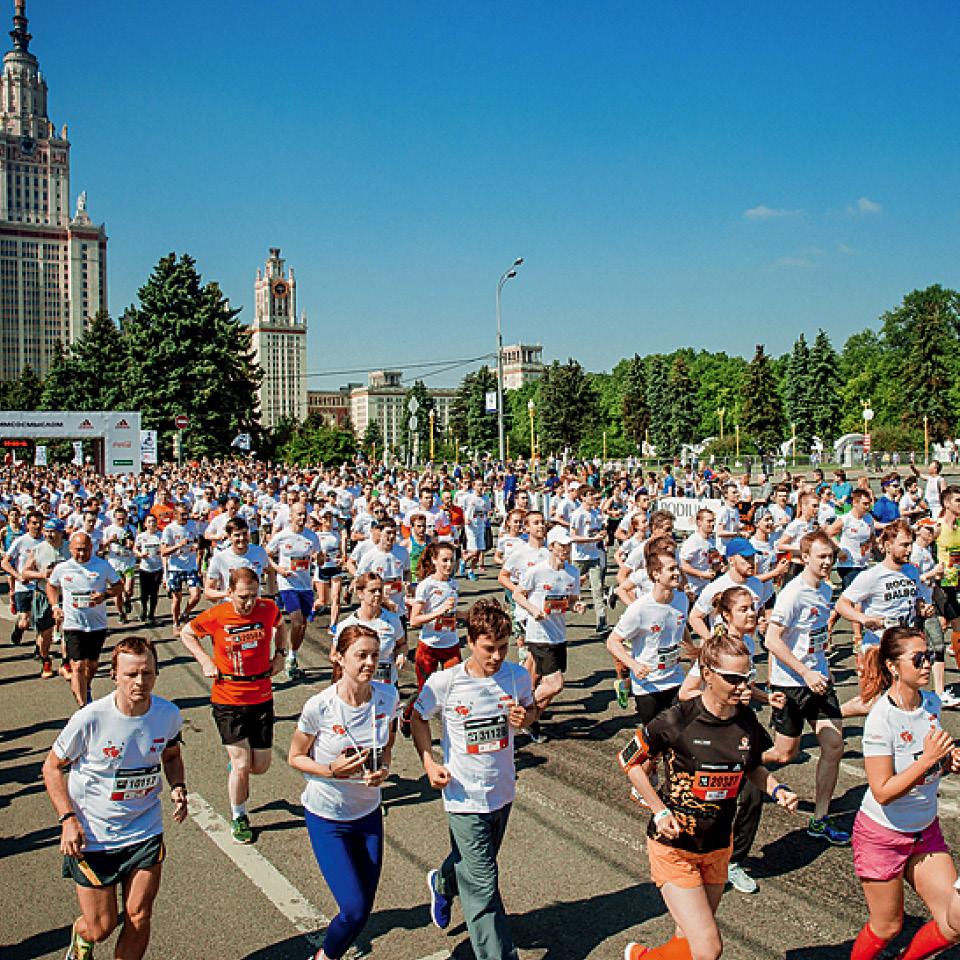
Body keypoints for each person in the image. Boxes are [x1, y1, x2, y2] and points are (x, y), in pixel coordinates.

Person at [620, 631, 798, 960]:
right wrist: (659, 811)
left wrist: (777, 789)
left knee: (687, 939)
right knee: (708, 947)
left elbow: (752, 767)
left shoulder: (746, 720)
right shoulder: (677, 719)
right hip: (675, 848)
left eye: (748, 677)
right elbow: (629, 761)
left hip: (718, 847)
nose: (743, 687)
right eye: (734, 679)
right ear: (707, 674)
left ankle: (644, 958)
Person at [41, 636, 187, 960]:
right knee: (101, 927)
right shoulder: (90, 718)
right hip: (93, 835)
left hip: (144, 828)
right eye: (131, 674)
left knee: (139, 915)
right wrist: (67, 820)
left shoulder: (168, 714)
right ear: (114, 675)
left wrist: (178, 786)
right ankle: (82, 938)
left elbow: (172, 755)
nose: (140, 682)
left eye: (147, 673)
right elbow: (51, 767)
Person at [412, 600, 536, 960]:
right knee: (483, 884)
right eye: (488, 648)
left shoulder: (516, 676)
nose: (497, 656)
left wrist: (526, 718)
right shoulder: (446, 682)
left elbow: (530, 710)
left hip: (502, 792)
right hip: (463, 796)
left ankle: (442, 882)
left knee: (472, 865)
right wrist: (429, 763)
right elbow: (417, 717)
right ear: (469, 642)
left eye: (503, 647)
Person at [848, 626, 960, 960]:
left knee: (955, 921)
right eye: (918, 659)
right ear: (893, 666)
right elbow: (882, 791)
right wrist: (927, 760)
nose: (927, 664)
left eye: (930, 656)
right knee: (887, 927)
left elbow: (934, 762)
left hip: (924, 831)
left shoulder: (931, 704)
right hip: (882, 835)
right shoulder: (881, 719)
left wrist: (948, 762)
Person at [288, 624, 398, 960]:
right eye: (361, 655)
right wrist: (330, 771)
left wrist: (383, 771)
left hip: (367, 814)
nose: (370, 663)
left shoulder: (388, 697)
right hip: (328, 817)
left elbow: (387, 747)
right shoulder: (319, 706)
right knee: (353, 908)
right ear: (338, 657)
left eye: (375, 656)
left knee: (364, 908)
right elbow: (295, 757)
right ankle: (325, 957)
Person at [678, 586, 787, 896]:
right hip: (713, 733)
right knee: (712, 799)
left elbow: (743, 685)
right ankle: (696, 856)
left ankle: (734, 861)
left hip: (741, 728)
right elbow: (686, 692)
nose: (752, 613)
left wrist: (765, 697)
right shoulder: (715, 649)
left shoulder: (747, 643)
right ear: (726, 615)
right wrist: (721, 699)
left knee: (752, 795)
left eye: (753, 607)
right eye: (744, 609)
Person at [179, 567, 287, 843]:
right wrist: (205, 660)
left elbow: (280, 625)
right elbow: (187, 633)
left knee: (260, 766)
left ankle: (238, 769)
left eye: (253, 596)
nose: (249, 603)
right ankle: (239, 816)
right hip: (228, 698)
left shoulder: (268, 609)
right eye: (242, 597)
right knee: (241, 764)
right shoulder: (217, 615)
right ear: (229, 593)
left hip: (261, 695)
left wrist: (280, 654)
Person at [761, 530, 850, 844]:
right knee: (785, 753)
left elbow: (814, 636)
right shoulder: (793, 594)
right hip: (792, 683)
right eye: (821, 556)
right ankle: (742, 766)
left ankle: (820, 819)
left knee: (834, 746)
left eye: (830, 556)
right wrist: (804, 672)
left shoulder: (825, 589)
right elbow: (771, 640)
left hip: (818, 680)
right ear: (806, 558)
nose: (827, 562)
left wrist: (822, 668)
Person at [835, 521, 925, 718]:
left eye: (910, 544)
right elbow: (842, 605)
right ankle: (831, 716)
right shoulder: (871, 576)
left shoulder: (911, 571)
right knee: (871, 704)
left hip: (904, 648)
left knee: (902, 701)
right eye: (904, 545)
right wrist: (864, 618)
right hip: (877, 648)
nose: (909, 550)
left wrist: (923, 608)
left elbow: (916, 599)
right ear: (887, 545)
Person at [515, 526, 586, 742]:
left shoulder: (572, 573)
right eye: (562, 545)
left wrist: (577, 606)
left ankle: (532, 720)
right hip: (539, 634)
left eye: (568, 546)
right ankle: (522, 713)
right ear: (552, 546)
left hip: (559, 635)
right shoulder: (536, 571)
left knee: (542, 684)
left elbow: (572, 600)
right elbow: (518, 594)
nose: (566, 549)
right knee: (555, 684)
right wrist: (533, 610)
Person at [47, 532, 123, 707]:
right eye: (78, 550)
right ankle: (83, 706)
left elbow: (119, 586)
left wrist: (105, 595)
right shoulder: (63, 568)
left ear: (92, 548)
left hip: (97, 624)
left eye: (86, 550)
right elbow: (51, 585)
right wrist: (55, 606)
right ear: (70, 549)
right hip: (73, 624)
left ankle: (85, 687)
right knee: (78, 665)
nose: (82, 554)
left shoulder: (102, 566)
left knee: (92, 665)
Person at [265, 501, 323, 680]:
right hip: (287, 584)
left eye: (304, 514)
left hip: (305, 585)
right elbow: (266, 554)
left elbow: (319, 559)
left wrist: (320, 558)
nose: (302, 517)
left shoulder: (312, 536)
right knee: (297, 621)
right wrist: (279, 569)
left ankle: (293, 655)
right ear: (291, 516)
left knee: (303, 624)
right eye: (299, 514)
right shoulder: (282, 536)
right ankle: (288, 656)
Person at [338, 572, 406, 686]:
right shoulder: (347, 625)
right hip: (358, 686)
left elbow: (402, 644)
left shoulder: (392, 620)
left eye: (380, 590)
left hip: (386, 685)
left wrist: (401, 655)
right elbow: (335, 656)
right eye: (372, 591)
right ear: (360, 593)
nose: (378, 594)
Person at [2, 507, 44, 646]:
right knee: (25, 622)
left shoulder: (46, 541)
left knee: (42, 622)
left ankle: (40, 650)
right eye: (34, 523)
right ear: (27, 524)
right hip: (24, 586)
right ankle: (18, 629)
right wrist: (19, 577)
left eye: (40, 523)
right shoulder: (21, 541)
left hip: (42, 587)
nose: (37, 526)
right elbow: (5, 563)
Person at [159, 503, 202, 635]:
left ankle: (186, 613)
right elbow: (163, 551)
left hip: (190, 566)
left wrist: (196, 546)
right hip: (175, 567)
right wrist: (178, 545)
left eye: (186, 514)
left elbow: (197, 541)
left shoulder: (192, 525)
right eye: (182, 515)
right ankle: (176, 623)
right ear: (175, 515)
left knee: (196, 595)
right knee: (177, 598)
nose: (185, 517)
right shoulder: (169, 529)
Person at [133, 514, 163, 626]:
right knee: (144, 593)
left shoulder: (160, 535)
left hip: (157, 568)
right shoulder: (141, 536)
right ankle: (143, 611)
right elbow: (135, 549)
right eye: (149, 521)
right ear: (145, 524)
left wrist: (161, 552)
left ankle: (151, 614)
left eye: (154, 521)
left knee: (154, 593)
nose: (152, 524)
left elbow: (165, 548)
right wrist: (140, 554)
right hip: (145, 568)